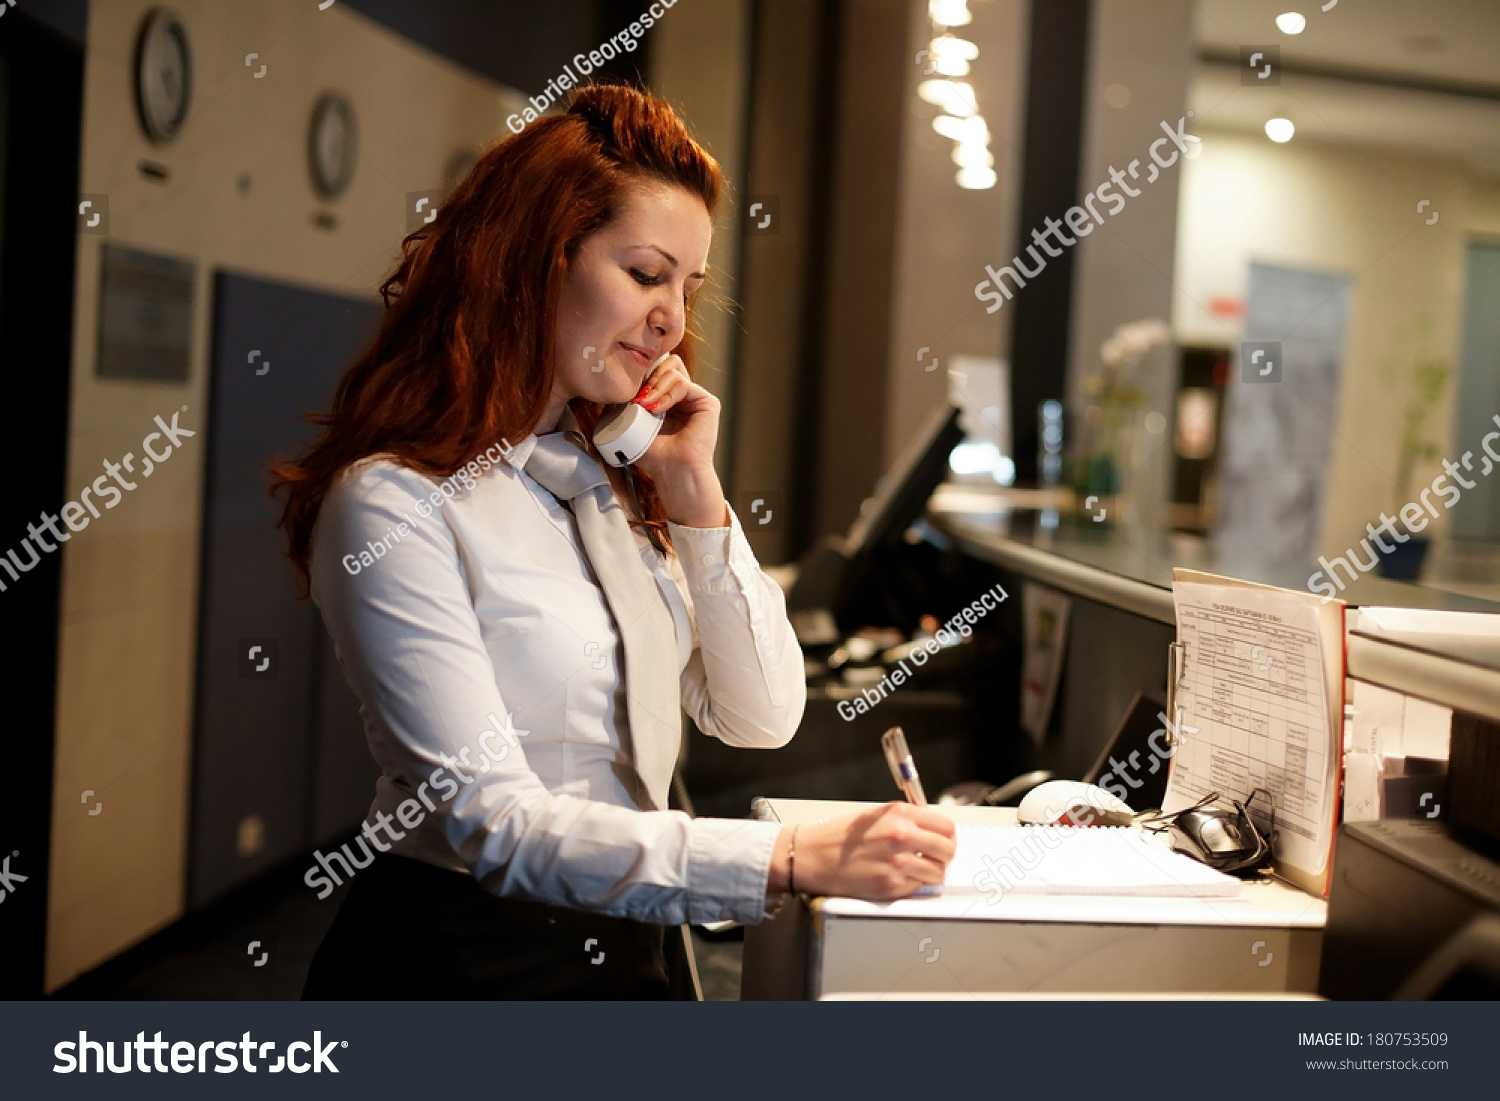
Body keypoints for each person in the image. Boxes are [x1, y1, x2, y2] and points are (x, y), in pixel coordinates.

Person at [273, 83, 956, 999]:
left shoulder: (606, 482)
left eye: (689, 287)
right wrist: (788, 855)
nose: (674, 316)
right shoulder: (393, 503)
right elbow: (496, 825)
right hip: (467, 959)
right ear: (534, 265)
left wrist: (693, 491)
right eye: (645, 273)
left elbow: (761, 713)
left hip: (633, 945)